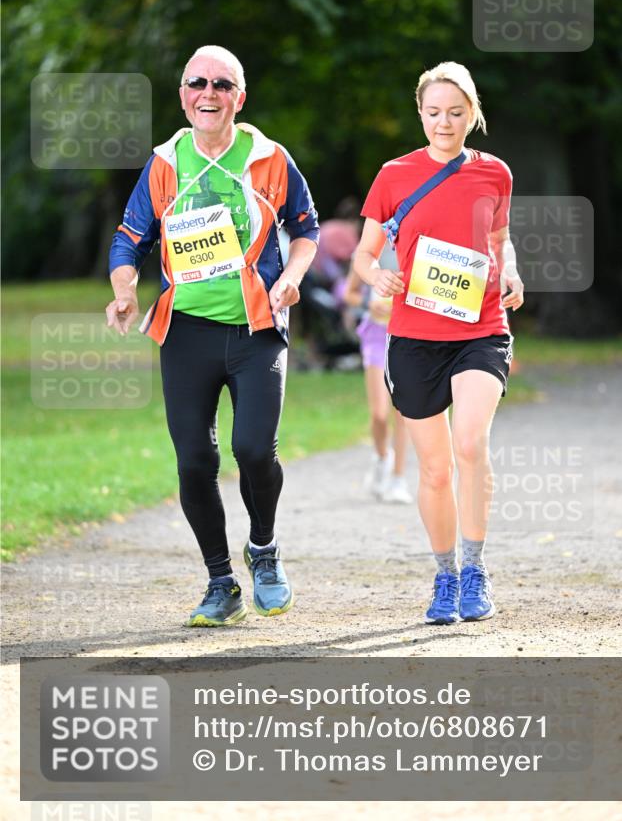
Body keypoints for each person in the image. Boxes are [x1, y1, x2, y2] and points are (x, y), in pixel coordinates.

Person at [106, 45, 319, 627]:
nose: (209, 92)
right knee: (194, 461)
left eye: (222, 84)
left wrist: (293, 279)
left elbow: (306, 228)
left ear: (238, 98)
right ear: (182, 95)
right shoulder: (164, 164)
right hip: (187, 332)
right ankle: (221, 582)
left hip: (256, 327)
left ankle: (265, 551)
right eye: (197, 82)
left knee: (254, 448)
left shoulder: (271, 159)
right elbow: (130, 237)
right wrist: (125, 289)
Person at [354, 61, 524, 625]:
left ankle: (476, 570)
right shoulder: (394, 174)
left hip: (480, 327)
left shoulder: (494, 173)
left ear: (471, 113)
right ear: (420, 114)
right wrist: (376, 274)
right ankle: (445, 576)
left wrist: (512, 273)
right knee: (434, 470)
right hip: (414, 335)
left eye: (455, 112)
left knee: (470, 444)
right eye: (433, 113)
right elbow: (363, 252)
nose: (444, 122)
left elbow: (500, 240)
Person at [342, 250, 411, 504]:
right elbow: (349, 293)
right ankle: (382, 457)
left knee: (403, 412)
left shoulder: (418, 241)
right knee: (379, 415)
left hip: (407, 335)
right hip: (376, 335)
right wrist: (367, 304)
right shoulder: (371, 248)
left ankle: (398, 478)